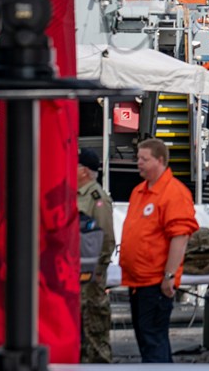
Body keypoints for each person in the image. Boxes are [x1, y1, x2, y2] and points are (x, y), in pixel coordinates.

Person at [118, 138, 198, 363]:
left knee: (153, 339)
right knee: (145, 337)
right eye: (138, 159)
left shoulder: (174, 193)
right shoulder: (139, 191)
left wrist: (169, 276)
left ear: (160, 161)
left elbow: (180, 236)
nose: (139, 163)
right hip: (137, 281)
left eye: (145, 159)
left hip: (155, 281)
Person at [76, 148, 115, 363]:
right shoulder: (73, 194)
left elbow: (106, 237)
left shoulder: (96, 197)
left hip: (91, 277)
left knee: (95, 329)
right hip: (73, 275)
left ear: (83, 171)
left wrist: (99, 271)